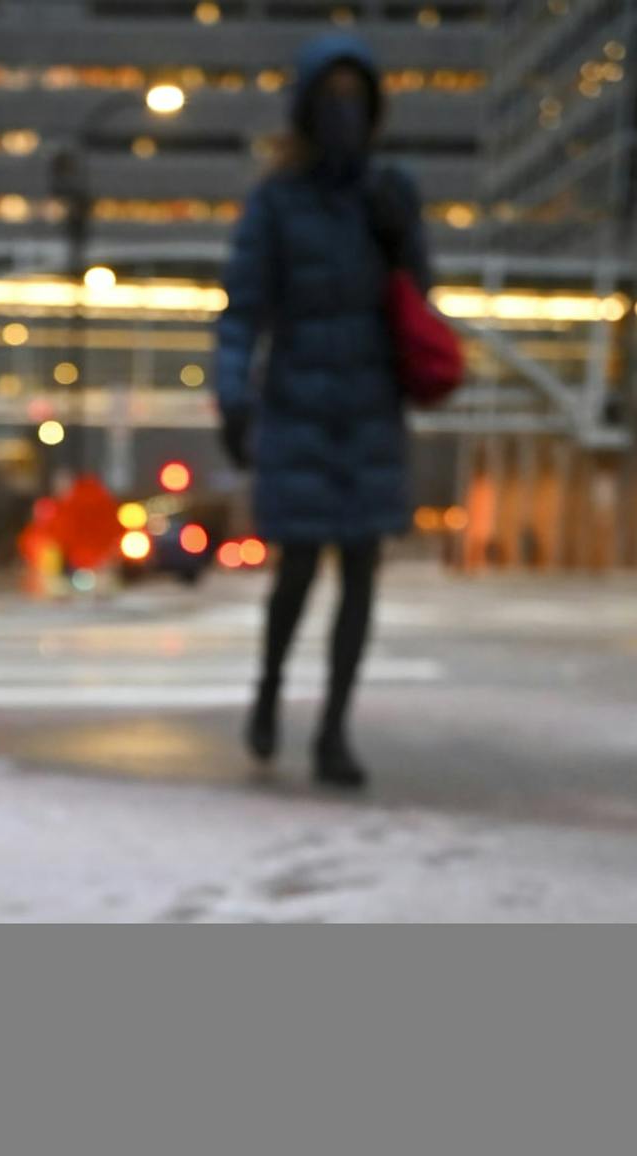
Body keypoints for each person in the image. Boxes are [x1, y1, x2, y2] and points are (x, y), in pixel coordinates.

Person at [217, 34, 433, 790]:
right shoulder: (276, 201)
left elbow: (419, 297)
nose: (344, 112)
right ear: (308, 109)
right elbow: (242, 309)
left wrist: (395, 234)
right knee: (299, 569)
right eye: (331, 97)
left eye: (356, 97)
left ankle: (335, 729)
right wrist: (233, 394)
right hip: (300, 403)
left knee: (363, 575)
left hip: (370, 406)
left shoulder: (391, 194)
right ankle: (271, 686)